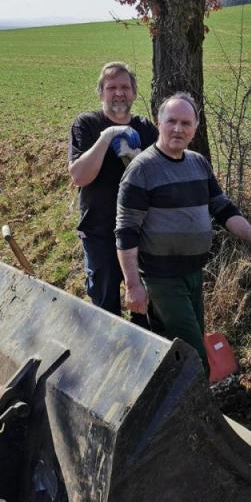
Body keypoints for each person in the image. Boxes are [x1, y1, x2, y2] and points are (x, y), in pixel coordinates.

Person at [115, 92, 251, 373]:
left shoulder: (198, 163)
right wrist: (132, 285)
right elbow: (126, 230)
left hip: (193, 273)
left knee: (177, 349)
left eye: (186, 123)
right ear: (158, 123)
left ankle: (168, 396)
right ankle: (200, 398)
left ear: (195, 128)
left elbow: (223, 209)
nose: (178, 129)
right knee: (194, 355)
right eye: (172, 121)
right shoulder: (141, 170)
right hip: (162, 278)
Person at [68, 62, 158, 317]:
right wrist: (107, 136)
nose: (119, 93)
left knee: (146, 310)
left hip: (141, 234)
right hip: (99, 234)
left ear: (134, 92)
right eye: (111, 88)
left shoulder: (146, 129)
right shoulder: (86, 124)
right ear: (101, 93)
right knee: (105, 310)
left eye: (125, 87)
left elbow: (158, 179)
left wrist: (137, 159)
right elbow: (79, 177)